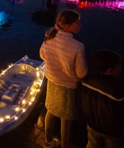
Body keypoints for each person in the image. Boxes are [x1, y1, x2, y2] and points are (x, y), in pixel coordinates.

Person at [39, 9, 88, 148]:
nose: (80, 25)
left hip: (51, 81)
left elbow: (42, 55)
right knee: (66, 118)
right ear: (67, 26)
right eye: (77, 22)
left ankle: (48, 142)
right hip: (68, 87)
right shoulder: (77, 46)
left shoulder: (49, 37)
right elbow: (81, 74)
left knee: (51, 110)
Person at [80, 50, 124, 148]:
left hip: (92, 125)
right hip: (112, 132)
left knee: (92, 145)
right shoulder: (118, 92)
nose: (120, 68)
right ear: (109, 70)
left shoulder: (86, 82)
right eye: (118, 66)